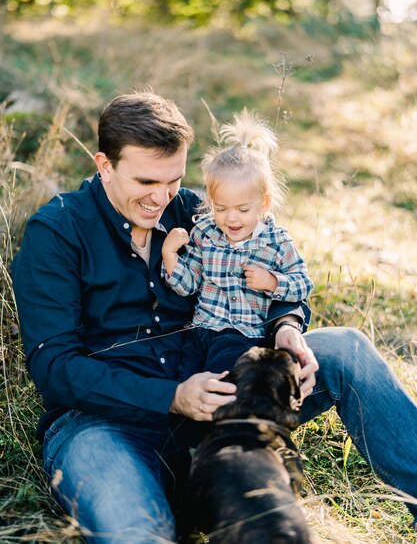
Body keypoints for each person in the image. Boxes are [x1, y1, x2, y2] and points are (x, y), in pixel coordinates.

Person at [12, 92, 417, 543]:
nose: (161, 197)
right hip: (103, 425)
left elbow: (270, 270)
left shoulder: (194, 211)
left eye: (174, 180)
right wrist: (172, 396)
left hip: (223, 392)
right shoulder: (57, 232)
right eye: (146, 181)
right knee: (136, 533)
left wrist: (286, 327)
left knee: (347, 347)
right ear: (104, 165)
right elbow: (54, 368)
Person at [162, 109, 314, 375]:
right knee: (184, 376)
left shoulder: (275, 241)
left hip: (243, 336)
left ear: (263, 203)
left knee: (223, 376)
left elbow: (303, 283)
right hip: (201, 330)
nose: (231, 219)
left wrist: (272, 282)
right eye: (220, 208)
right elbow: (190, 284)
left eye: (243, 210)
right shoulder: (205, 233)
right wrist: (170, 255)